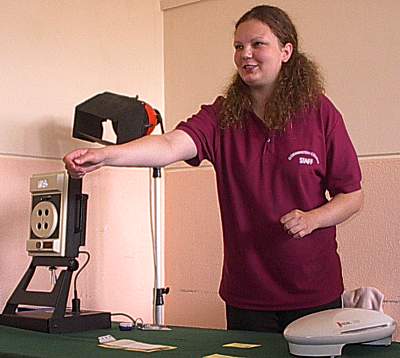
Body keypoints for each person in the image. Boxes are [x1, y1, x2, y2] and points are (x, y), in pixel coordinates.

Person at [64, 5, 363, 333]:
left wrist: (312, 219)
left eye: (257, 44)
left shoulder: (321, 113)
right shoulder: (222, 116)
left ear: (286, 51)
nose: (245, 54)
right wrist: (107, 156)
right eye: (238, 46)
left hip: (314, 294)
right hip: (247, 299)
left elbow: (351, 195)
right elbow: (168, 146)